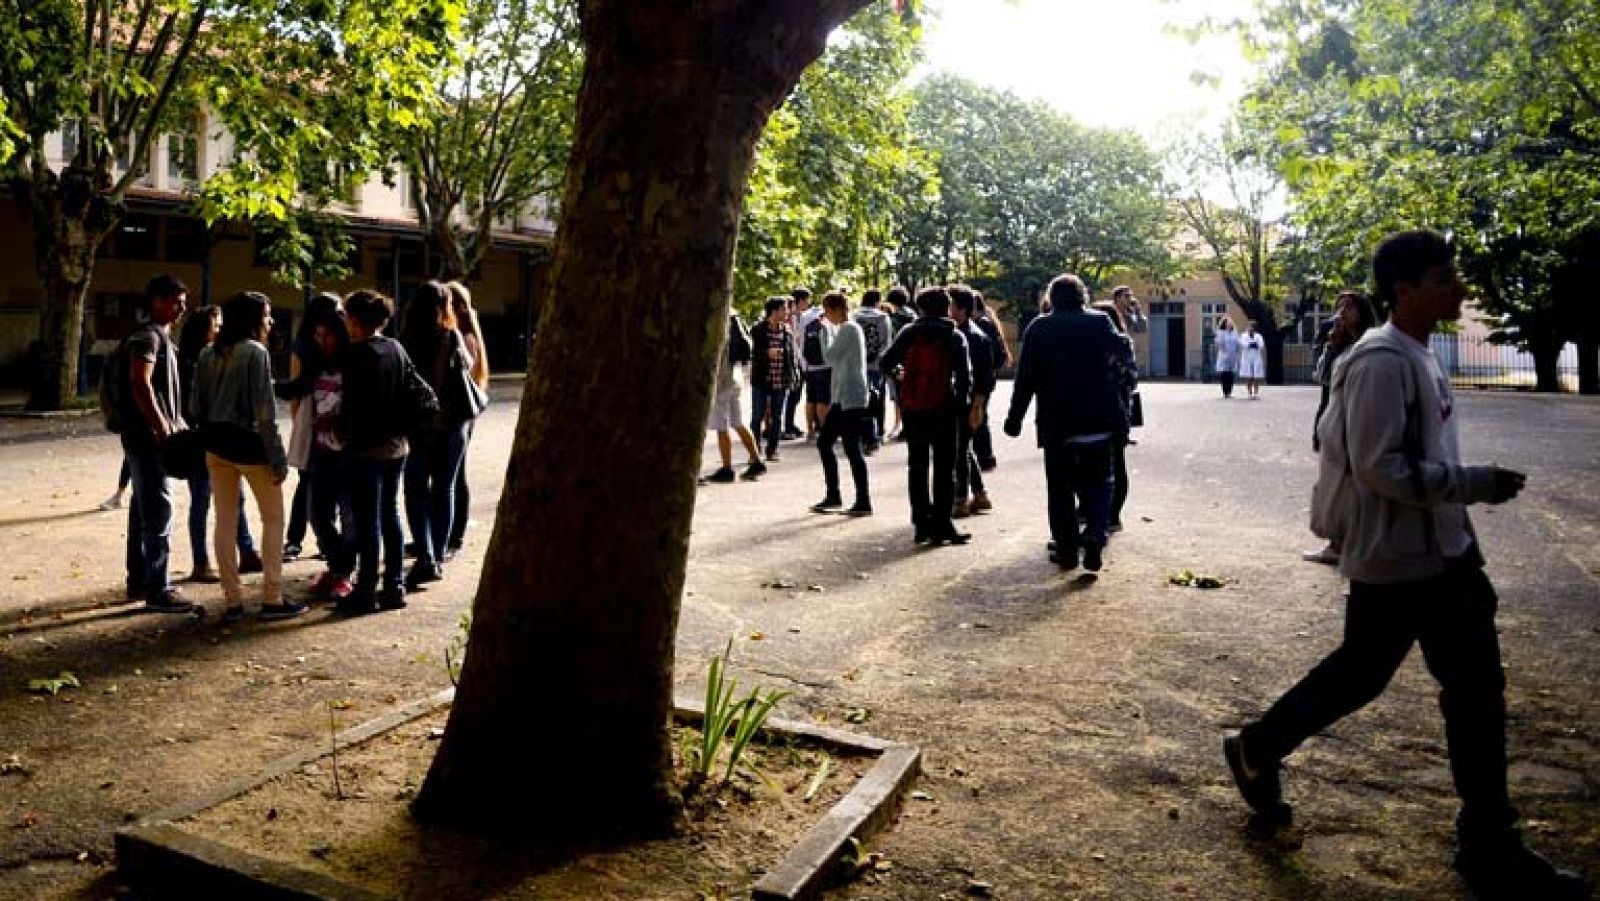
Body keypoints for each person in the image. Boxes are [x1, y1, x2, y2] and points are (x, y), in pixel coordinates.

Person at [1225, 230, 1590, 901]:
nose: (1459, 287)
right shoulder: (1380, 361)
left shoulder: (1419, 354)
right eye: (1444, 276)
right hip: (1399, 559)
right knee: (1370, 677)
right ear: (1404, 289)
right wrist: (1471, 482)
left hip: (1442, 554)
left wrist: (1463, 522)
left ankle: (1488, 842)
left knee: (1467, 692)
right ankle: (1259, 746)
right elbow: (1378, 465)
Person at [1003, 274, 1131, 572]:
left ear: (1052, 297)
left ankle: (1068, 550)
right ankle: (1096, 536)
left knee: (1059, 489)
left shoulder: (1039, 327)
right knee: (1099, 483)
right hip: (1099, 418)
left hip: (1057, 422)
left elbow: (1025, 379)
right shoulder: (1100, 322)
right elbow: (1124, 352)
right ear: (1082, 296)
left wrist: (1014, 418)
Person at [191, 291, 302, 621]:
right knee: (273, 519)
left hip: (216, 445)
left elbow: (195, 406)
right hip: (250, 446)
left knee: (224, 520)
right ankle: (272, 597)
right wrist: (278, 457)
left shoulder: (208, 353)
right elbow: (264, 412)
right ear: (253, 319)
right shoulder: (255, 352)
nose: (269, 321)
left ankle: (232, 601)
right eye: (267, 315)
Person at [115, 275, 193, 613]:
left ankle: (140, 580)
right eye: (176, 301)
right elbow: (140, 383)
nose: (181, 308)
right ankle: (157, 589)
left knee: (143, 510)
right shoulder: (148, 337)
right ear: (157, 302)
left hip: (144, 435)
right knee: (158, 510)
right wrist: (162, 428)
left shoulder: (161, 338)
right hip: (147, 438)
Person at [340, 290, 418, 614]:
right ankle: (395, 587)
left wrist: (339, 428)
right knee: (390, 514)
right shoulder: (396, 348)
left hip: (365, 449)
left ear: (355, 320)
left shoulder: (357, 355)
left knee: (367, 520)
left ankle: (365, 590)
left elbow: (355, 407)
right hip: (397, 445)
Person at [880, 286, 972, 546]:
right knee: (945, 468)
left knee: (917, 466)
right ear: (946, 307)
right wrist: (962, 407)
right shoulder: (954, 335)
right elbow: (965, 378)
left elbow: (886, 363)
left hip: (914, 408)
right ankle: (943, 524)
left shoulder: (910, 332)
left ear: (921, 308)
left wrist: (903, 376)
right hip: (945, 409)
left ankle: (921, 523)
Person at [398, 281, 474, 592]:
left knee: (416, 491)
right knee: (445, 490)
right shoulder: (451, 336)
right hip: (454, 426)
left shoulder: (405, 341)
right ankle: (438, 556)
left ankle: (426, 555)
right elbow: (468, 369)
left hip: (420, 427)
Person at [177, 305, 261, 583]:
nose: (220, 328)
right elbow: (193, 405)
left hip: (219, 436)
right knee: (202, 500)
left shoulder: (220, 357)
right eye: (216, 323)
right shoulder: (194, 361)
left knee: (234, 496)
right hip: (204, 438)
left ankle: (246, 551)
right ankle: (201, 562)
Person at [1303, 290, 1378, 565]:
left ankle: (1347, 542)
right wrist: (1331, 344)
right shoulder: (1337, 341)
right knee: (1333, 481)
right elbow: (1322, 377)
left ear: (1362, 312)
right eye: (1339, 306)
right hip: (1334, 417)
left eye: (1348, 306)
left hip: (1357, 418)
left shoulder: (1372, 343)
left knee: (1352, 483)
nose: (1342, 312)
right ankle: (1337, 542)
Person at [277, 293, 342, 562]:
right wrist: (301, 427)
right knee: (307, 484)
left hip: (334, 427)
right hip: (309, 420)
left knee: (327, 489)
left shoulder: (342, 347)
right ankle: (295, 539)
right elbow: (295, 388)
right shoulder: (304, 346)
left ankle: (327, 544)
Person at [304, 310, 357, 602]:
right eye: (318, 335)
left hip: (348, 453)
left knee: (350, 516)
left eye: (327, 334)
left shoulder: (355, 366)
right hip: (321, 451)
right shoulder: (316, 366)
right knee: (317, 514)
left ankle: (345, 572)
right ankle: (338, 565)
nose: (321, 340)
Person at [811, 292, 872, 515]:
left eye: (827, 310)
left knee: (850, 448)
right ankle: (836, 495)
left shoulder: (848, 329)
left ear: (836, 309)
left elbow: (828, 357)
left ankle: (861, 500)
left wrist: (823, 330)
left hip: (850, 397)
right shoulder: (848, 329)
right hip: (843, 397)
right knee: (829, 444)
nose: (826, 315)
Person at [445, 281, 490, 557]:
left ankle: (455, 535)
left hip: (460, 414)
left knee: (456, 475)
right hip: (457, 413)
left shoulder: (466, 339)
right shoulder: (459, 336)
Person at [1092, 300, 1140, 533]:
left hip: (1114, 409)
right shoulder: (1121, 342)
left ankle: (1112, 515)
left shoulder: (1118, 344)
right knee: (1114, 463)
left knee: (1114, 464)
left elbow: (1129, 377)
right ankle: (1106, 515)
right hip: (1118, 410)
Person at [702, 312, 766, 483]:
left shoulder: (720, 334)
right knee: (738, 422)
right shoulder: (736, 330)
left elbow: (717, 365)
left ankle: (727, 468)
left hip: (722, 384)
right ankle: (756, 460)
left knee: (721, 426)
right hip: (735, 380)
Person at [948, 286, 994, 518]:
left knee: (960, 450)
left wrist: (978, 407)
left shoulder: (973, 337)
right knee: (962, 448)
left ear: (962, 309)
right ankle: (979, 493)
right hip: (963, 400)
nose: (948, 310)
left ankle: (960, 500)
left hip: (966, 401)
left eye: (951, 306)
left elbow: (985, 378)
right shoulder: (964, 332)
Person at [748, 297, 798, 462]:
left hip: (780, 380)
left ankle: (772, 450)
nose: (787, 312)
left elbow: (791, 356)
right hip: (762, 379)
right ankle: (754, 451)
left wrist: (793, 374)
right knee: (757, 416)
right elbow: (751, 354)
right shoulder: (758, 330)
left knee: (777, 417)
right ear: (774, 311)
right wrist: (766, 353)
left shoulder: (787, 331)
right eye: (784, 309)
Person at [970, 291, 1011, 472]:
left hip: (983, 376)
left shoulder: (981, 325)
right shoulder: (986, 322)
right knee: (979, 416)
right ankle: (984, 456)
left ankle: (985, 456)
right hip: (987, 375)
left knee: (979, 416)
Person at [853, 289, 895, 453]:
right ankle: (878, 433)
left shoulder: (854, 316)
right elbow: (887, 343)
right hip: (877, 364)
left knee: (861, 400)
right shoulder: (883, 317)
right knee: (878, 400)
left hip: (858, 364)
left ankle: (862, 435)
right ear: (877, 301)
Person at [797, 287, 831, 440]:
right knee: (823, 400)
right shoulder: (827, 318)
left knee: (810, 399)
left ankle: (810, 430)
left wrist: (804, 364)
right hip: (824, 366)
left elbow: (801, 342)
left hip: (809, 366)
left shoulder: (805, 317)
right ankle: (825, 430)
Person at [884, 286, 914, 441]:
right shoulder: (913, 316)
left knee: (898, 396)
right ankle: (908, 426)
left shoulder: (893, 319)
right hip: (913, 360)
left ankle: (901, 425)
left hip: (898, 362)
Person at [783, 288, 812, 439]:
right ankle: (787, 425)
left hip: (802, 361)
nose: (808, 303)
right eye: (806, 300)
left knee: (797, 395)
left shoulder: (803, 317)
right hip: (793, 361)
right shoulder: (789, 319)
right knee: (792, 395)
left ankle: (790, 423)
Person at [1214, 316, 1241, 398]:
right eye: (1227, 323)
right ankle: (1225, 391)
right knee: (1224, 373)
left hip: (1233, 354)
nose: (1229, 324)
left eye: (1230, 323)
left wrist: (1237, 352)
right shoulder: (1221, 332)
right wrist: (1224, 352)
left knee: (1231, 373)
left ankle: (1229, 391)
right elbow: (1220, 343)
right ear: (1224, 324)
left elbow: (1238, 342)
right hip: (1224, 354)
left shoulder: (1235, 332)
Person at [1239, 320, 1266, 398]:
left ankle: (1256, 393)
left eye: (1252, 327)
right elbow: (1243, 343)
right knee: (1249, 375)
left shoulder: (1258, 336)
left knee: (1256, 376)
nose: (1251, 328)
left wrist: (1255, 344)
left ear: (1255, 328)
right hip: (1247, 357)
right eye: (1250, 327)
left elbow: (1261, 345)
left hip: (1256, 356)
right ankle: (1249, 392)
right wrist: (1250, 344)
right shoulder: (1244, 335)